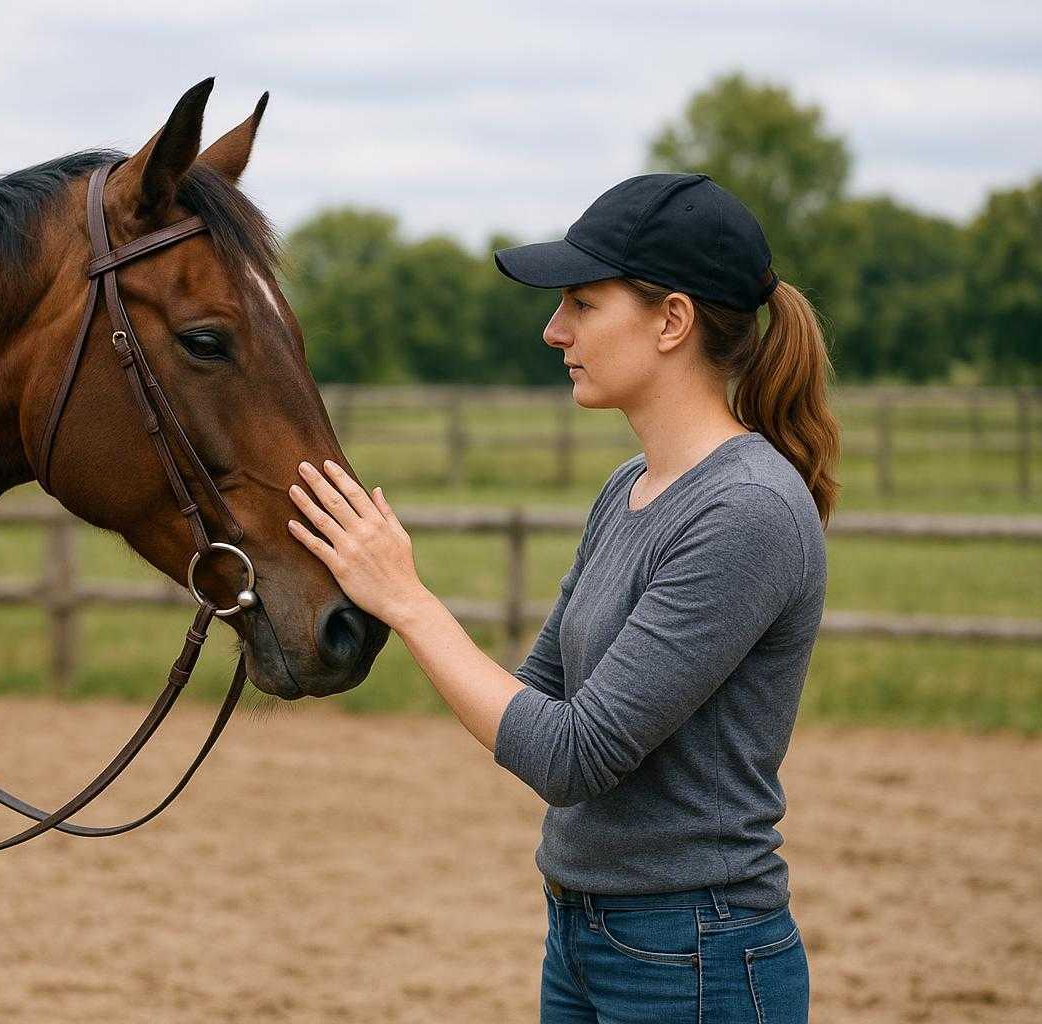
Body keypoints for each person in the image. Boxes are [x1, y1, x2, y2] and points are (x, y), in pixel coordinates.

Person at [285, 172, 839, 1023]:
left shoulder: (747, 511)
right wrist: (375, 599)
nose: (554, 330)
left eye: (582, 302)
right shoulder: (629, 487)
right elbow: (537, 697)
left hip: (693, 950)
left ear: (672, 320)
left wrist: (409, 601)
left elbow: (573, 758)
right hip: (586, 931)